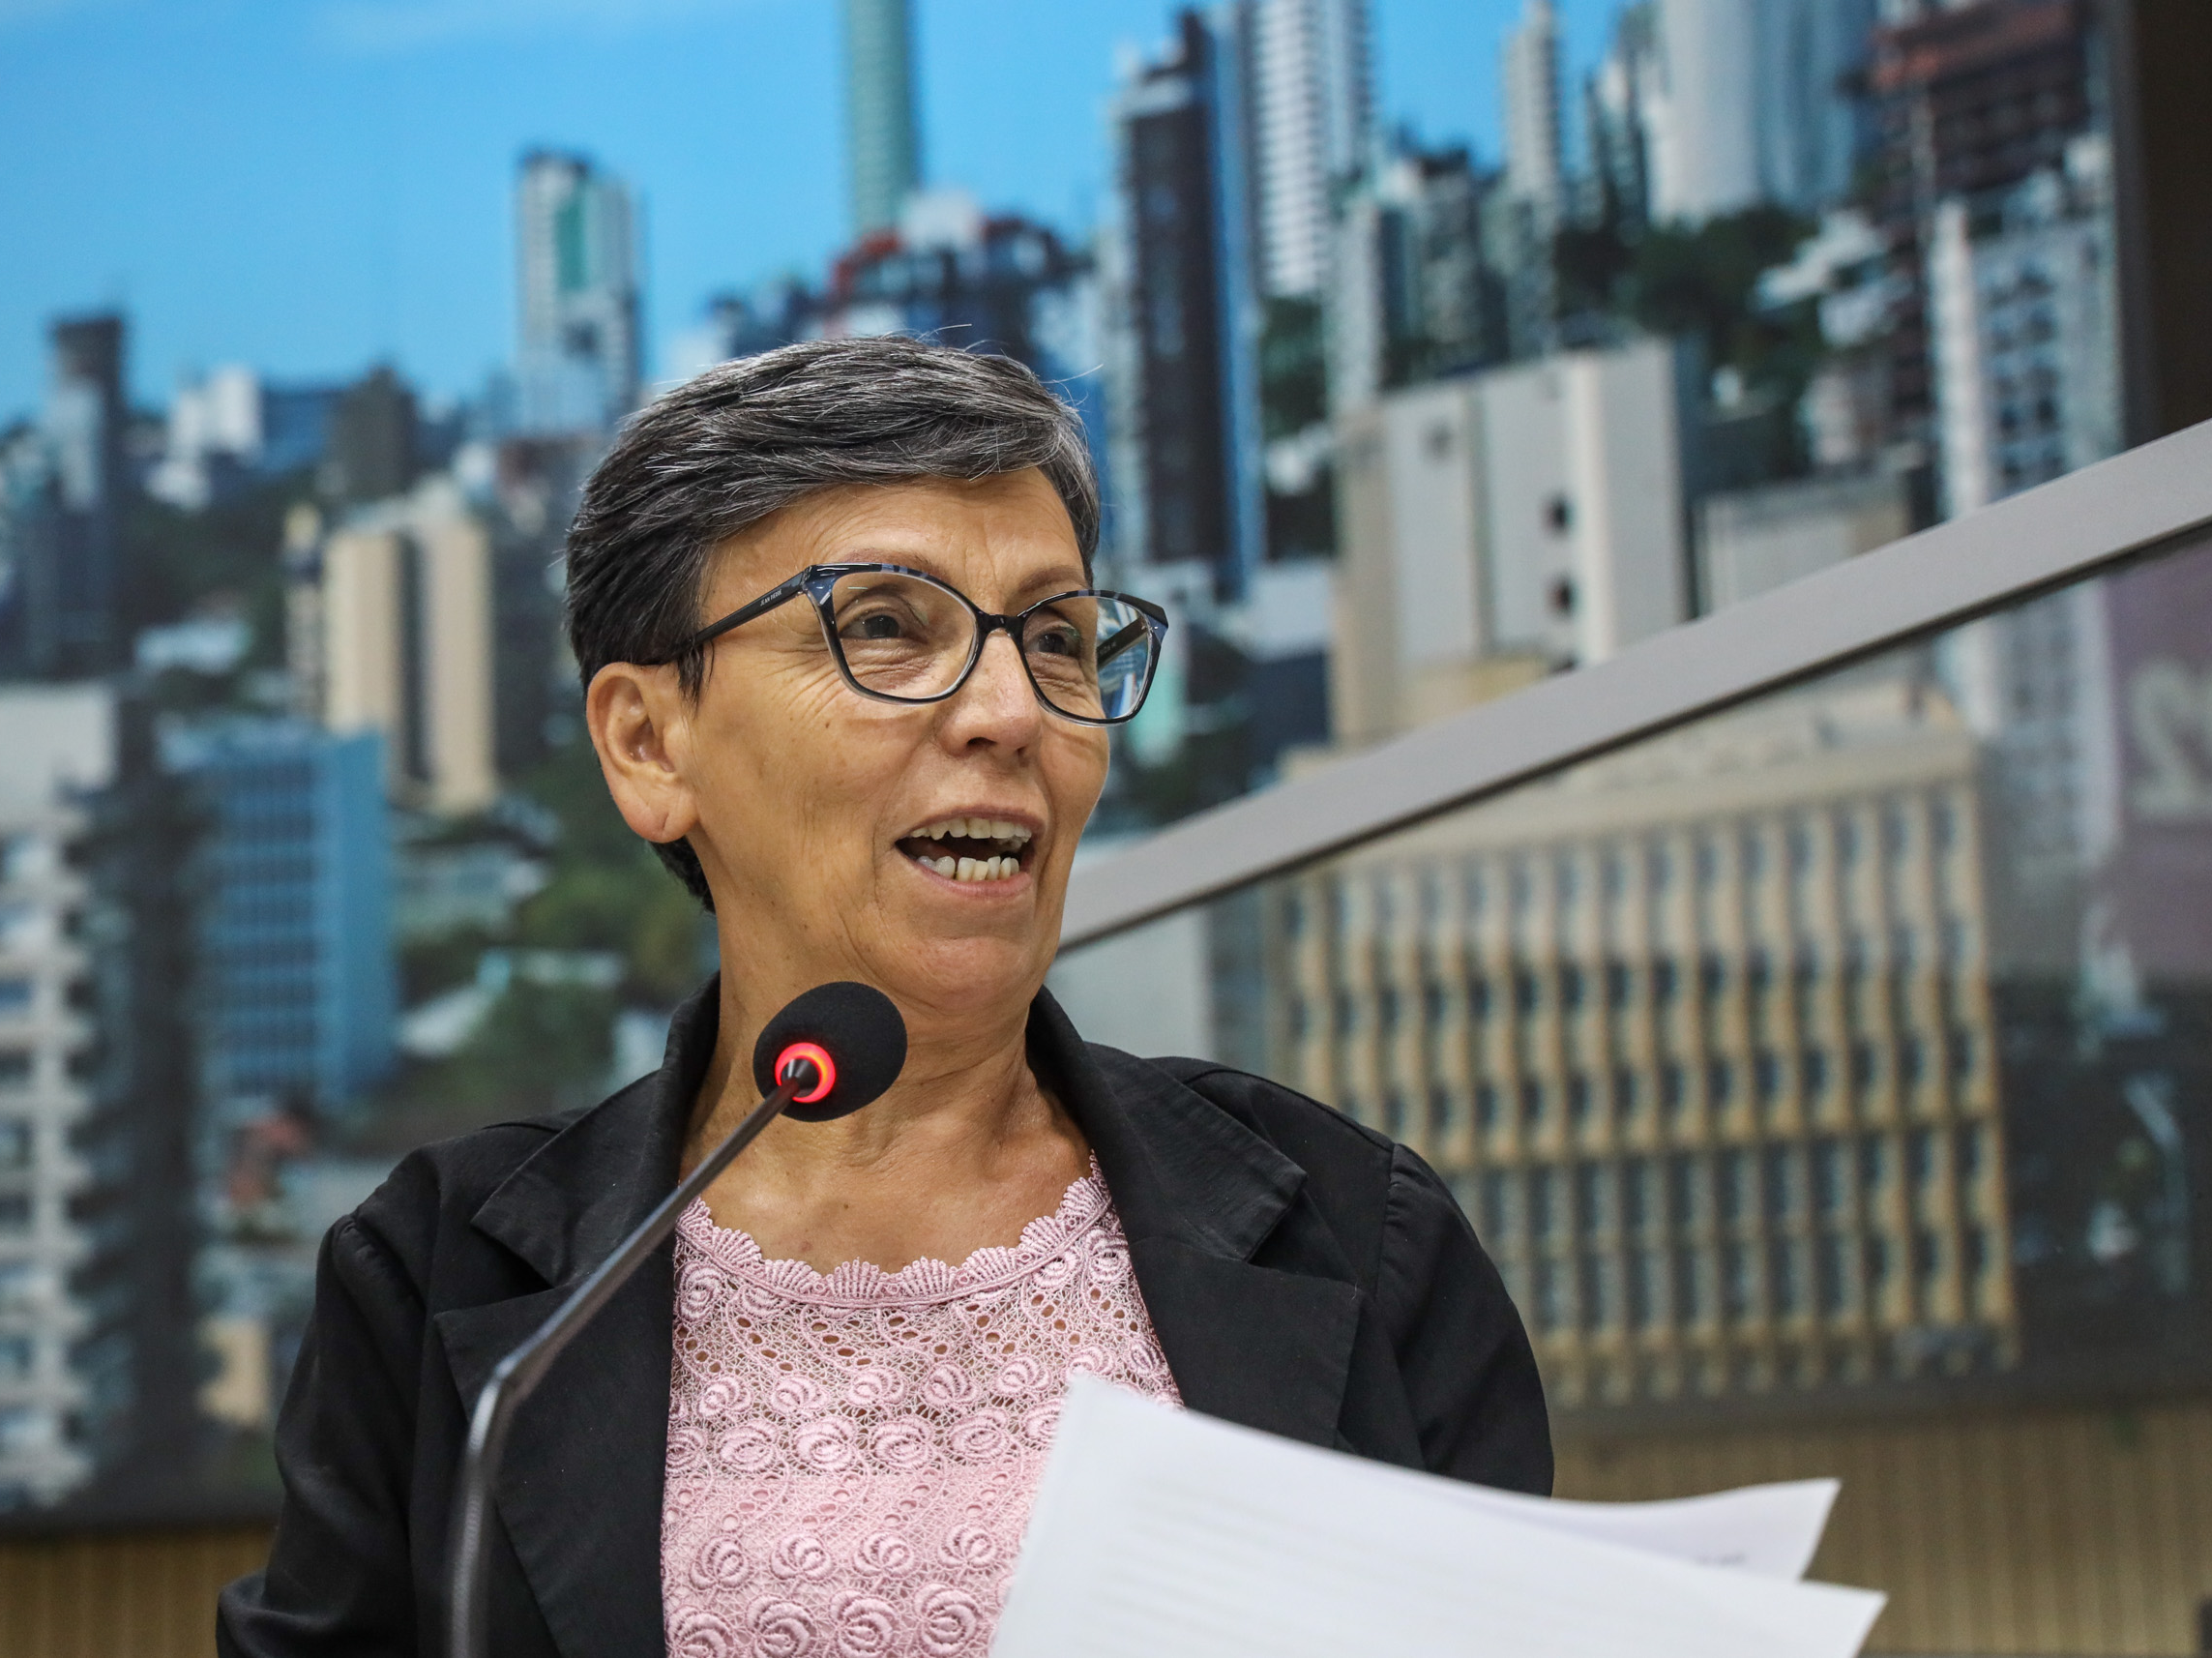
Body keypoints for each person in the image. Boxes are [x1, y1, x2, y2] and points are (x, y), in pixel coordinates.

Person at [218, 338, 1549, 1658]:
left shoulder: (1356, 1231)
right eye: (883, 628)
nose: (1010, 710)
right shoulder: (437, 1282)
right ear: (649, 742)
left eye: (1057, 638)